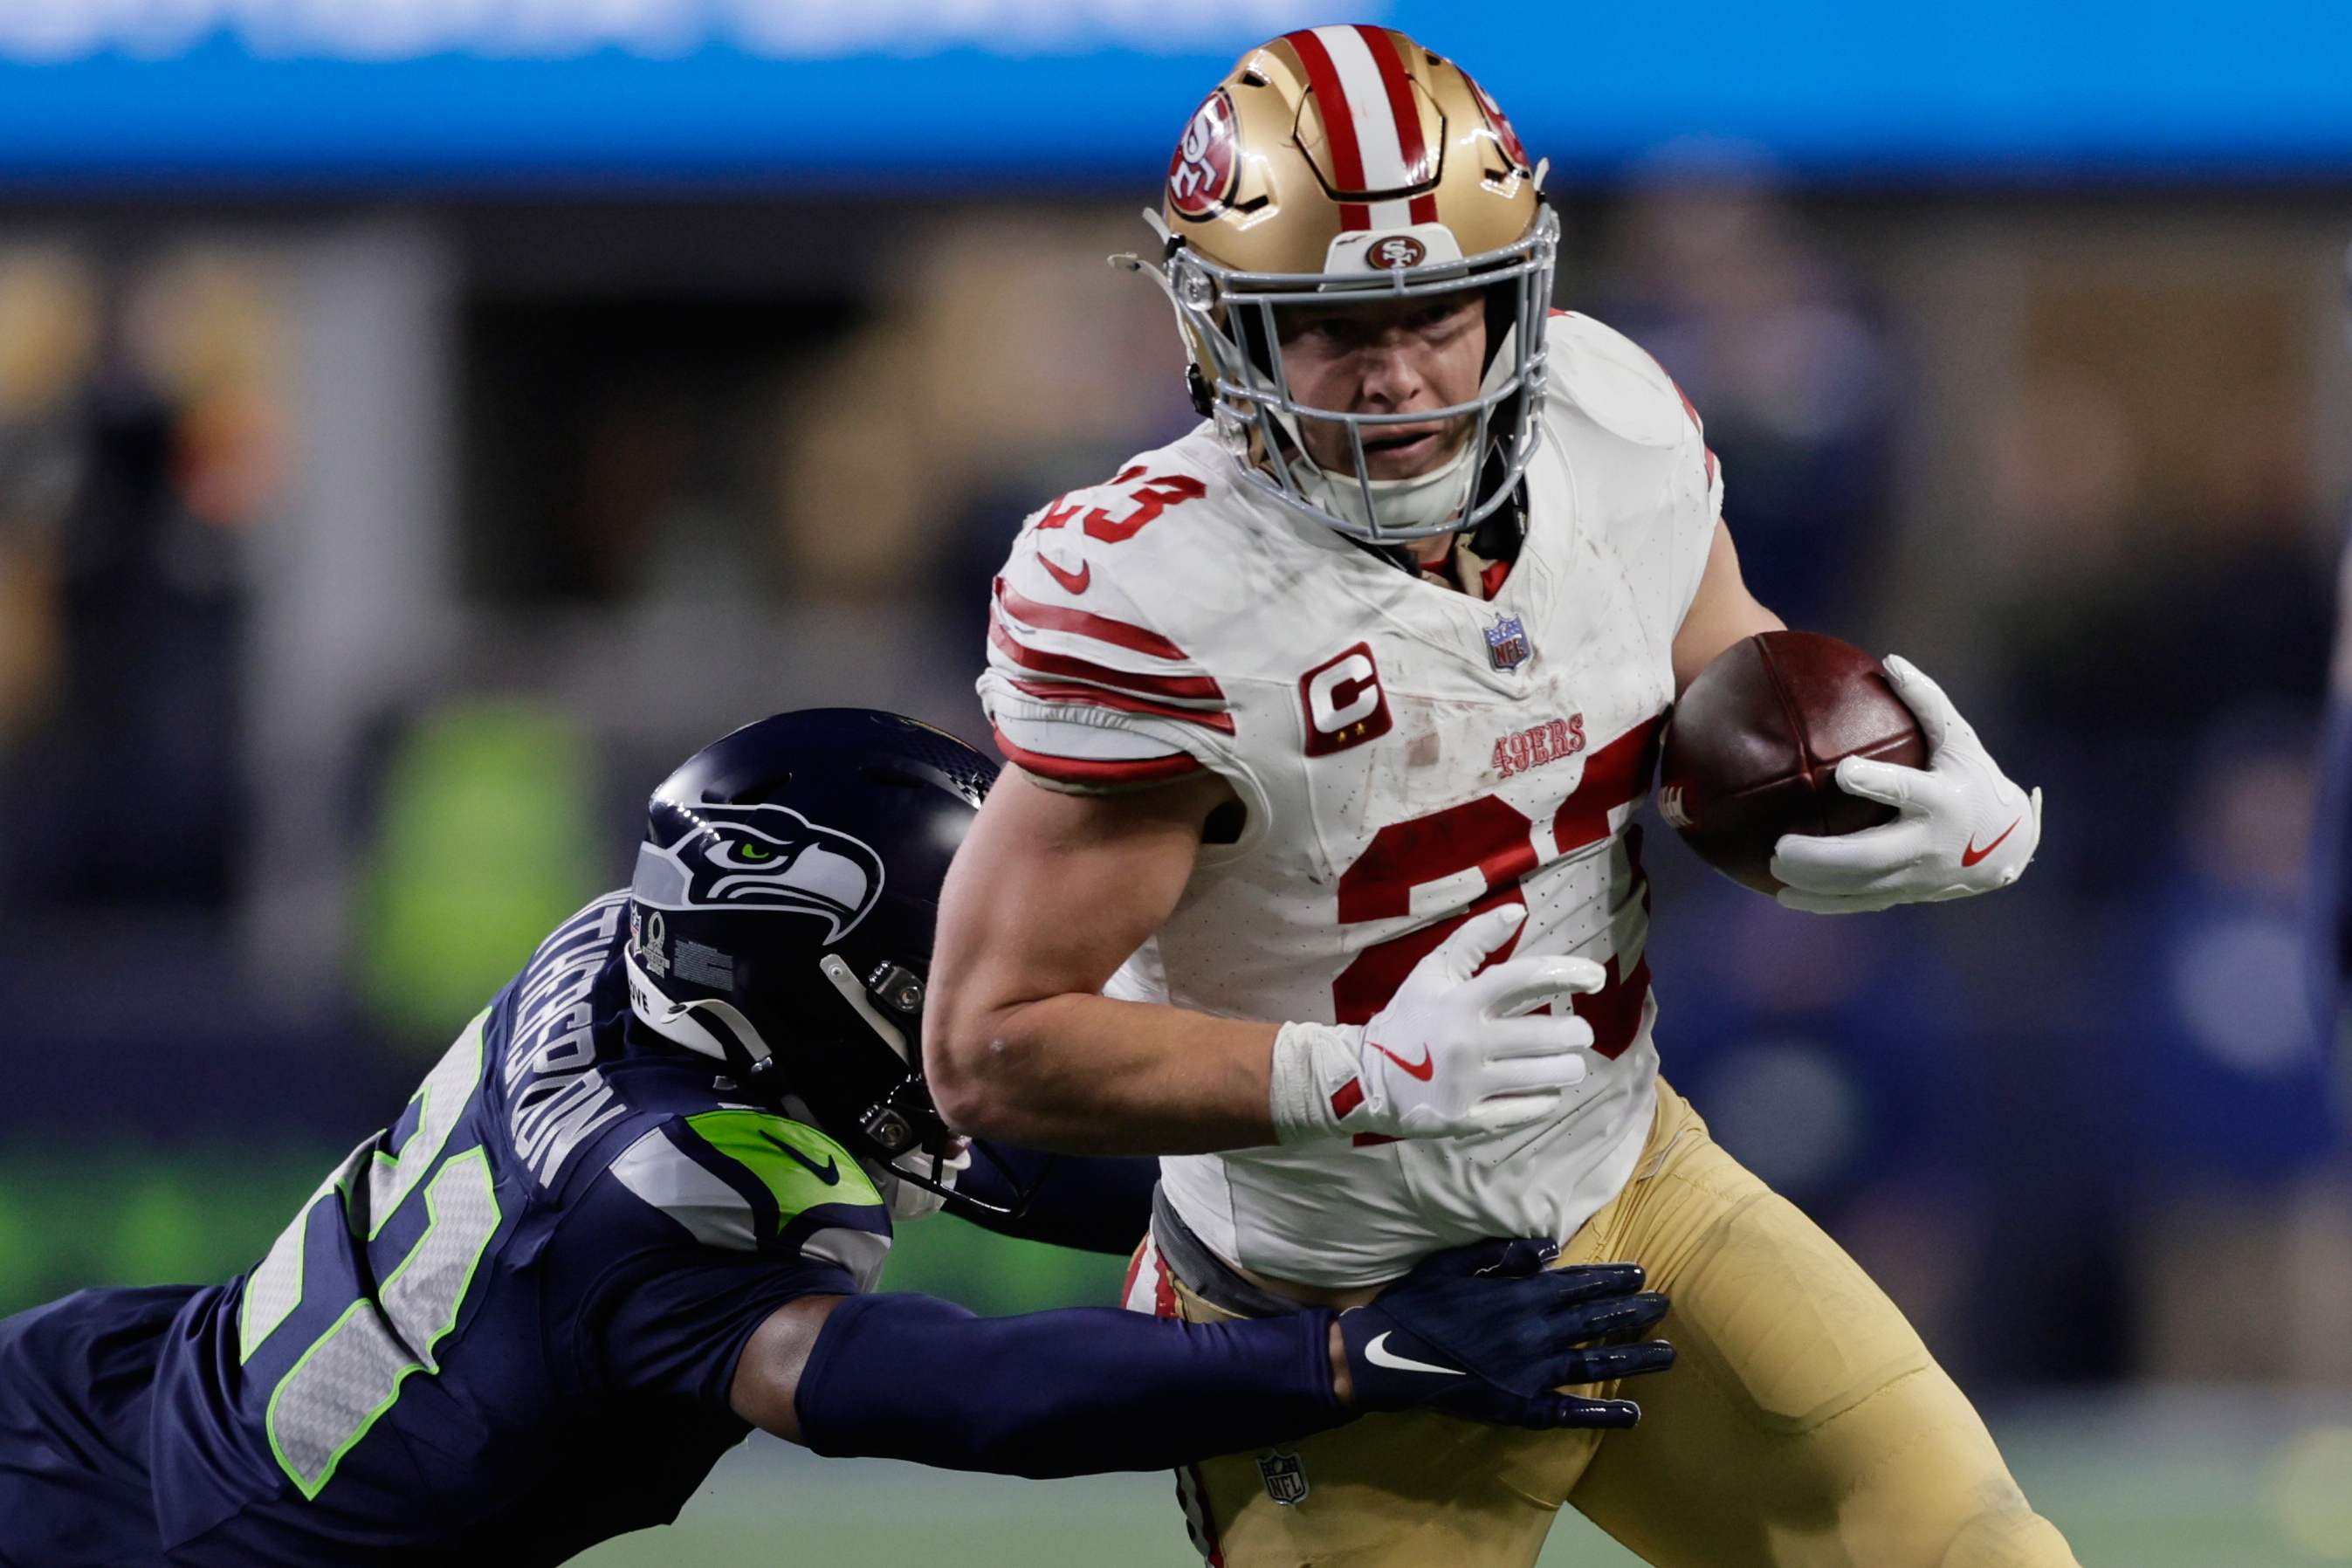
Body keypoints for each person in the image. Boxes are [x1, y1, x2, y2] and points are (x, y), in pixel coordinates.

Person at [932, 26, 2070, 1568]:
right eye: (1332, 325)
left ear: (1511, 295)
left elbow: (1718, 694)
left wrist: (1897, 811)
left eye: (1433, 308)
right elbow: (990, 1049)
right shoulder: (1159, 594)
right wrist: (1355, 1075)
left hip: (1629, 1188)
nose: (1395, 370)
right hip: (1338, 1306)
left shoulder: (1610, 424)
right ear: (1224, 335)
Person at [0, 709, 1675, 1565]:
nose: (989, 995)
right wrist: (1334, 1358)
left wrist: (1338, 1203)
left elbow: (983, 1134)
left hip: (115, 1385)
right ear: (803, 973)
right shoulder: (653, 1201)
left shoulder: (639, 956)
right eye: (932, 968)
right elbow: (947, 1391)